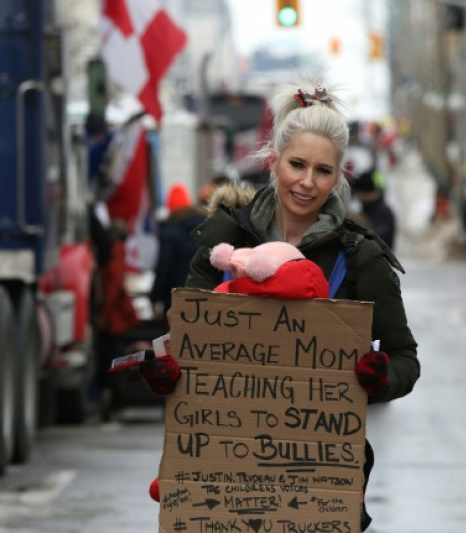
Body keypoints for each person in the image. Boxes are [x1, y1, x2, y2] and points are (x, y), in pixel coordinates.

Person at [139, 81, 419, 531]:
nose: (308, 183)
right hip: (222, 479)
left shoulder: (360, 257)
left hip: (321, 482)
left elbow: (406, 358)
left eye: (324, 171)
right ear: (274, 162)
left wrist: (380, 378)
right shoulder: (224, 240)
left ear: (340, 176)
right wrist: (165, 371)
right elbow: (184, 343)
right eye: (297, 165)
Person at [149, 184, 206, 316]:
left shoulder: (169, 233)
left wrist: (155, 298)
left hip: (175, 300)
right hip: (206, 298)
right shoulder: (206, 227)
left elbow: (163, 268)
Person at [351, 169, 397, 252]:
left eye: (358, 192)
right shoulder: (370, 208)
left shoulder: (381, 212)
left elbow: (377, 242)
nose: (357, 196)